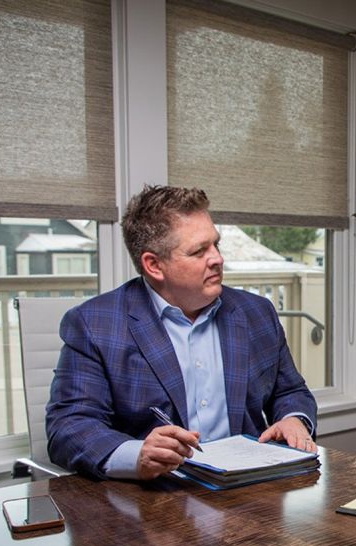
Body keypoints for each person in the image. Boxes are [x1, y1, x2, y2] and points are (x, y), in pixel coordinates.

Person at [47, 185, 317, 481]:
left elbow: (290, 391)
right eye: (199, 251)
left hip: (248, 491)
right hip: (153, 501)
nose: (217, 258)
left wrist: (294, 419)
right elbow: (69, 426)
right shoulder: (95, 324)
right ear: (154, 265)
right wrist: (136, 454)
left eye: (216, 244)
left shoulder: (256, 313)